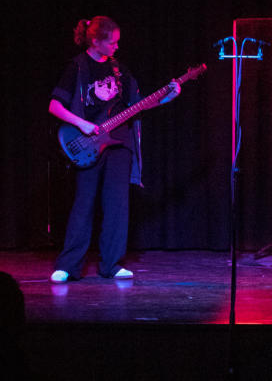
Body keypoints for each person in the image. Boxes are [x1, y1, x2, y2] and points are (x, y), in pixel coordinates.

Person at [48, 16, 181, 283]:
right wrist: (82, 124)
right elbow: (54, 106)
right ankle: (69, 265)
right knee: (83, 205)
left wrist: (167, 97)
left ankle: (112, 264)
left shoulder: (120, 70)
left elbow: (138, 103)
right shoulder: (77, 67)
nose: (117, 47)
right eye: (112, 42)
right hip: (88, 144)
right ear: (95, 41)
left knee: (117, 205)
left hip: (120, 144)